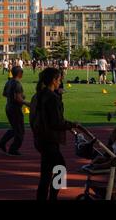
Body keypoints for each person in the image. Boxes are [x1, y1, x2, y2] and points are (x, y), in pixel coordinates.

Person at [30, 67, 77, 200]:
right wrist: (72, 125)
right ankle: (53, 196)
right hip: (50, 139)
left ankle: (44, 197)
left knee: (46, 172)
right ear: (54, 80)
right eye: (59, 79)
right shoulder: (52, 98)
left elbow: (34, 117)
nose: (60, 82)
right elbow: (57, 122)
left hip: (40, 138)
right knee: (61, 169)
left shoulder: (37, 95)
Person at [0, 66, 30, 156]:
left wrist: (12, 96)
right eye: (22, 73)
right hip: (15, 109)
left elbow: (4, 94)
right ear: (19, 74)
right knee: (20, 131)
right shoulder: (17, 84)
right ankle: (13, 149)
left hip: (8, 107)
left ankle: (2, 142)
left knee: (14, 128)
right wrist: (28, 104)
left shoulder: (9, 82)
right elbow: (18, 99)